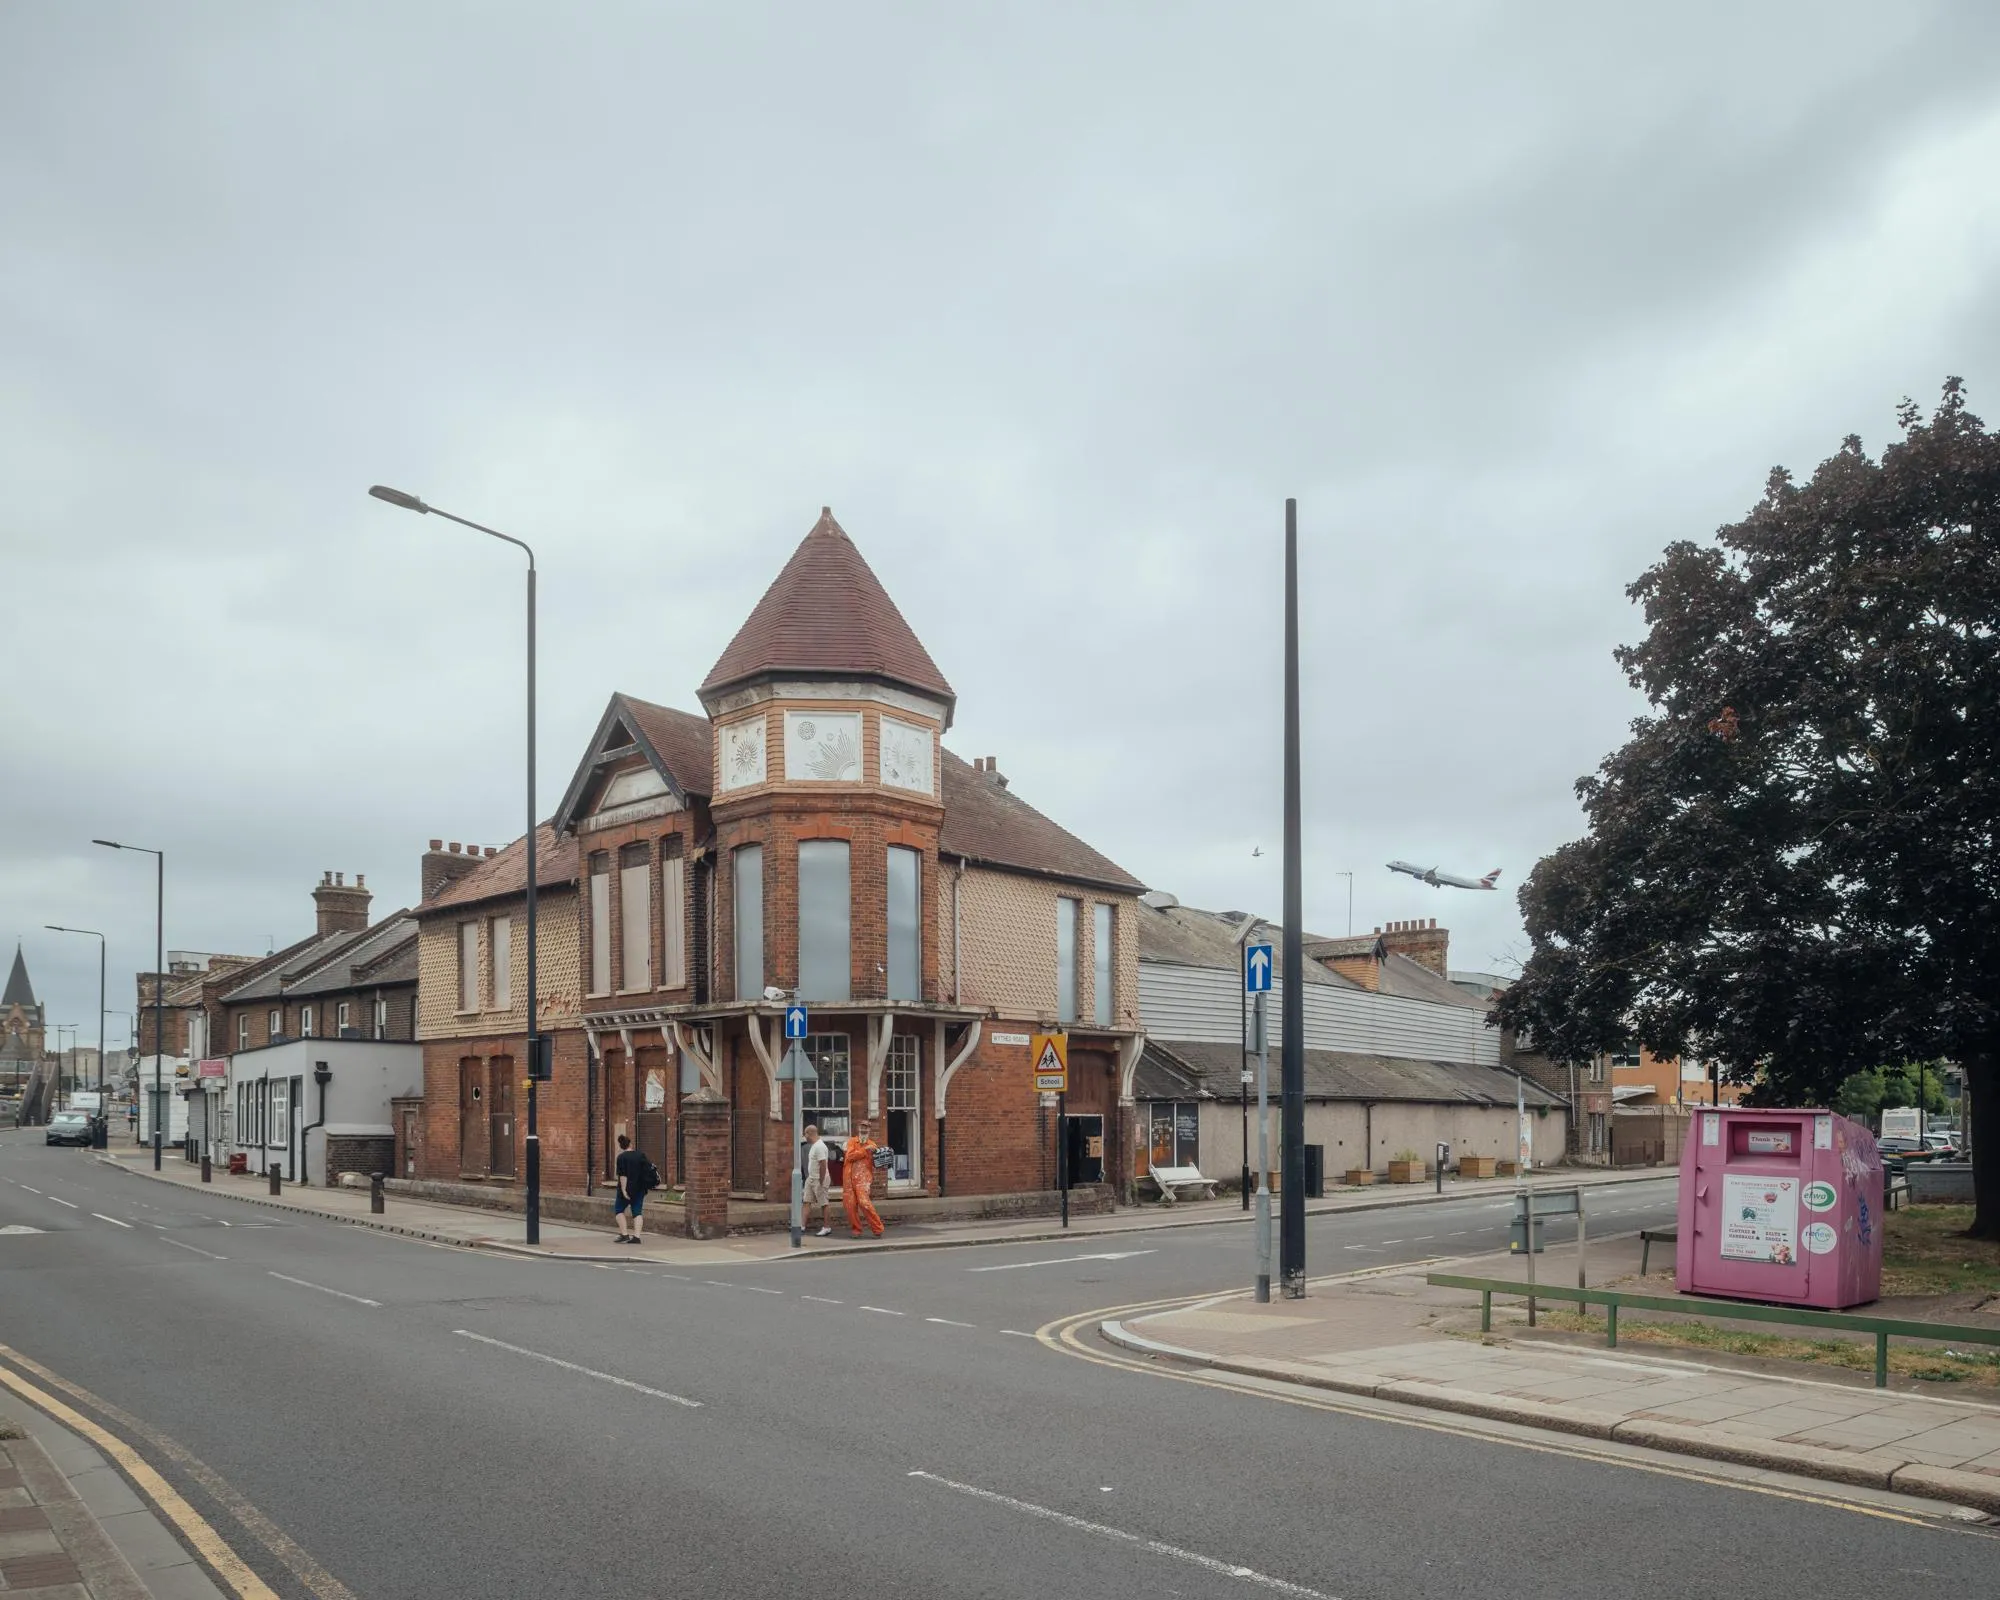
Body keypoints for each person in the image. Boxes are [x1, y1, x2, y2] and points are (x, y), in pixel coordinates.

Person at [842, 1125, 884, 1239]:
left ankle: (877, 1229)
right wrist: (865, 1151)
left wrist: (878, 1156)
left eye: (866, 1128)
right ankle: (856, 1230)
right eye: (862, 1128)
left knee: (864, 1203)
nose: (864, 1130)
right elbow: (849, 1156)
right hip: (848, 1178)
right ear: (858, 1129)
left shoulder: (873, 1145)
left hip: (863, 1179)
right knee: (850, 1206)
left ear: (869, 1130)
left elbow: (878, 1163)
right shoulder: (852, 1142)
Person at [613, 1132, 655, 1243]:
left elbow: (623, 1175)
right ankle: (636, 1237)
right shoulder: (640, 1155)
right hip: (639, 1188)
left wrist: (624, 1190)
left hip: (626, 1189)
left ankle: (624, 1234)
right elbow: (647, 1170)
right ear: (630, 1144)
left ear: (621, 1146)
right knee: (637, 1212)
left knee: (619, 1210)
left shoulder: (621, 1158)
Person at [801, 1123, 833, 1237]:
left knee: (824, 1203)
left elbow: (823, 1164)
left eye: (805, 1134)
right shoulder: (814, 1146)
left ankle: (827, 1227)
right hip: (811, 1178)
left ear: (809, 1133)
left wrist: (821, 1180)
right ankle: (802, 1226)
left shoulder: (819, 1146)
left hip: (819, 1179)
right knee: (806, 1201)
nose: (804, 1137)